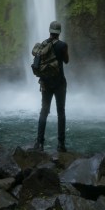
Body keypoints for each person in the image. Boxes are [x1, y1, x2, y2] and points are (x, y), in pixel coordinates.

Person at [33, 20, 69, 152]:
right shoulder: (63, 45)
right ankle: (61, 144)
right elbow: (66, 61)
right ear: (59, 32)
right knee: (61, 112)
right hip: (59, 83)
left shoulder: (43, 45)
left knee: (44, 111)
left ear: (50, 31)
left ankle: (40, 143)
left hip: (45, 84)